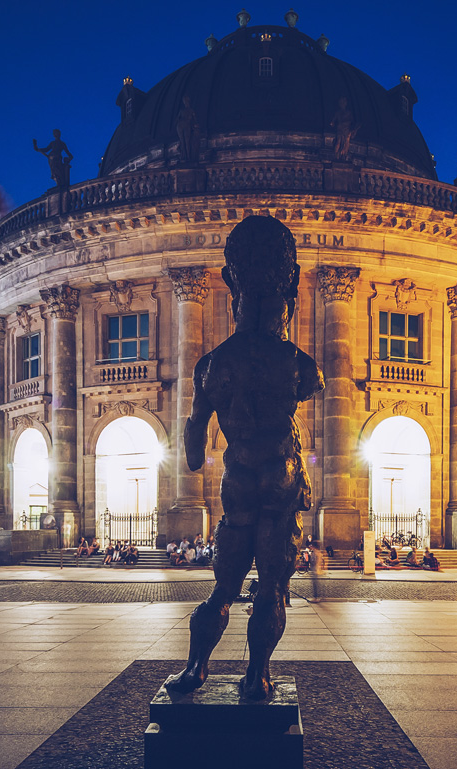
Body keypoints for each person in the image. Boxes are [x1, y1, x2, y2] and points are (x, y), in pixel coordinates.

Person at [164, 216, 324, 701]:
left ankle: (195, 669)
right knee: (272, 587)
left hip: (237, 485)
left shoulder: (211, 365)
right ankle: (257, 676)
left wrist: (201, 428)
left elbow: (193, 455)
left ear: (234, 299)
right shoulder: (299, 364)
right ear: (286, 302)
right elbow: (311, 392)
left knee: (222, 588)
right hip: (280, 479)